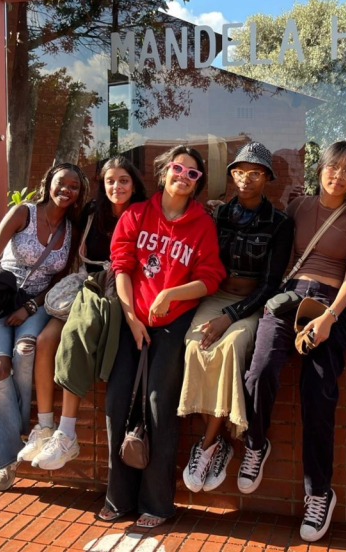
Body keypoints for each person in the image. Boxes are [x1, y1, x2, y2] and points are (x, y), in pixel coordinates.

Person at [239, 140, 346, 542]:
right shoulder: (297, 208)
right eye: (333, 166)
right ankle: (255, 443)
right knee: (259, 371)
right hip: (290, 295)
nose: (338, 175)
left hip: (331, 303)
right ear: (320, 168)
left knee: (318, 394)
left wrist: (331, 318)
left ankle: (319, 491)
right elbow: (265, 230)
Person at [100, 146, 226, 528]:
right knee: (118, 400)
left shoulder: (203, 224)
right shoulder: (138, 214)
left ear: (198, 183)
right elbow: (121, 266)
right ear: (163, 172)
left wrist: (171, 294)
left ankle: (157, 503)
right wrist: (131, 316)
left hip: (173, 324)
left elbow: (210, 278)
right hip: (131, 320)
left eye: (192, 174)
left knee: (158, 403)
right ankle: (118, 498)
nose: (183, 176)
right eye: (177, 168)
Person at [0, 163, 88, 491]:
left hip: (37, 306)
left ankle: (5, 461)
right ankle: (11, 433)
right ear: (48, 184)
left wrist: (30, 306)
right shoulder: (23, 213)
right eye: (61, 183)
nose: (66, 190)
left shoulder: (71, 229)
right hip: (2, 302)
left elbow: (57, 280)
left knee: (26, 349)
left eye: (74, 186)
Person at [178, 142, 294, 493]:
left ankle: (208, 444)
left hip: (252, 303)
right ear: (231, 175)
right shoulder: (217, 215)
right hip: (217, 295)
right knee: (194, 346)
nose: (246, 179)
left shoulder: (279, 223)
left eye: (255, 173)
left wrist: (231, 316)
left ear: (267, 179)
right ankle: (219, 442)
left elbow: (271, 284)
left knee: (230, 348)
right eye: (240, 172)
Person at [18, 156, 147, 470]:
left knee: (75, 336)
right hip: (88, 284)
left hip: (122, 286)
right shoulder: (92, 213)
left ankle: (68, 432)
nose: (117, 187)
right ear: (102, 185)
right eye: (110, 181)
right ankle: (46, 425)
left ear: (134, 183)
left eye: (124, 180)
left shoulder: (144, 213)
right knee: (46, 340)